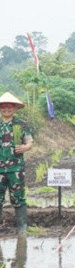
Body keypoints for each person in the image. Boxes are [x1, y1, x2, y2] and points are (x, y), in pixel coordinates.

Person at [0, 92, 33, 232]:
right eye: (3, 107)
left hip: (16, 169)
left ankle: (22, 227)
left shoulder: (21, 124)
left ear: (14, 108)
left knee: (18, 198)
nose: (6, 109)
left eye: (9, 107)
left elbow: (30, 142)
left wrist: (24, 147)